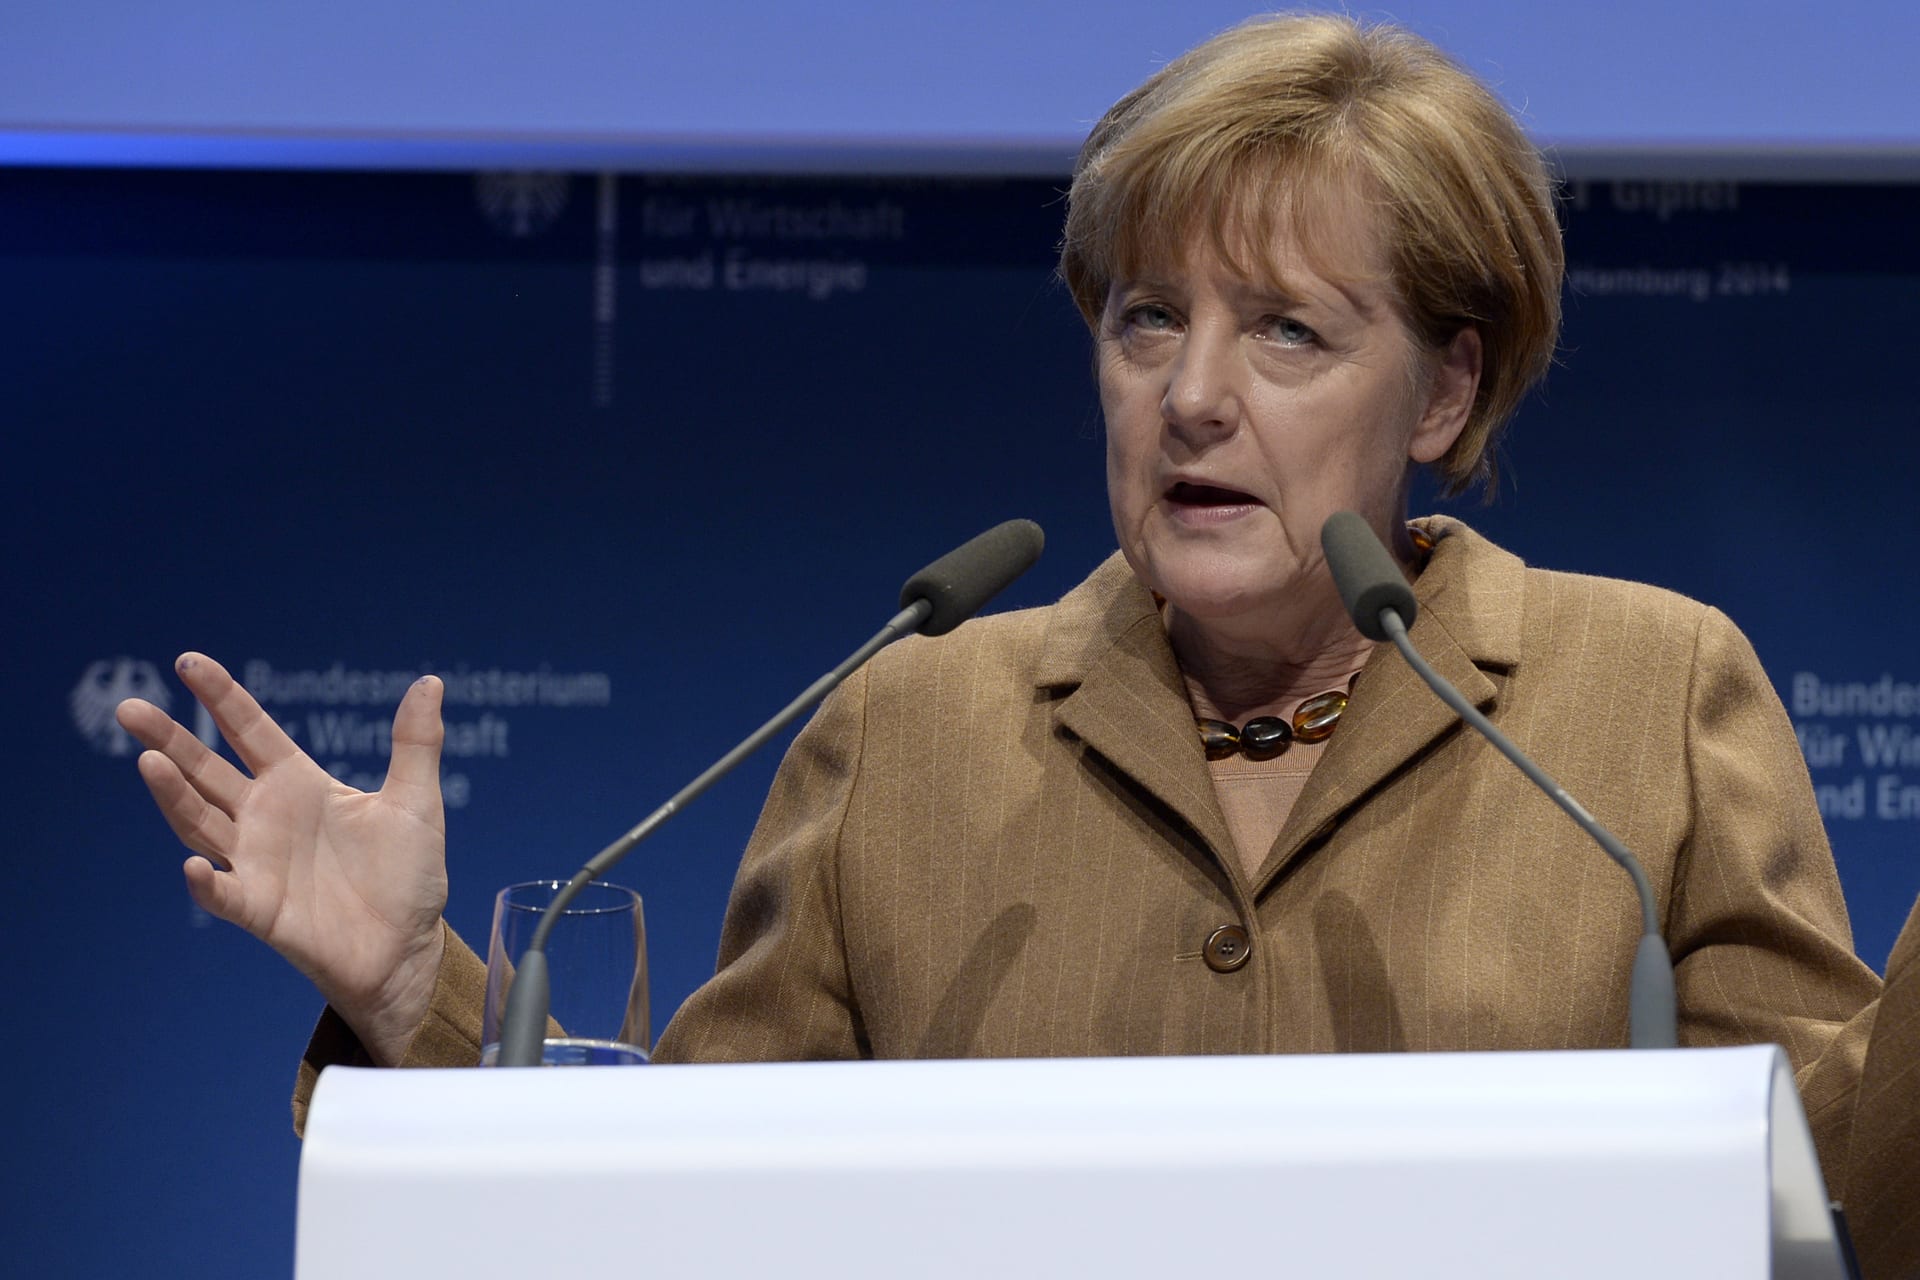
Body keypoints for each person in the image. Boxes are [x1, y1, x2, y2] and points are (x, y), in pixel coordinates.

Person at [115, 13, 1919, 1277]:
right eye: (1149, 321)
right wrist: (410, 990)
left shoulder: (1647, 698)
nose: (1195, 397)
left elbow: (1839, 1207)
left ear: (1445, 381)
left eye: (1289, 333)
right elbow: (673, 1220)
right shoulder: (910, 726)